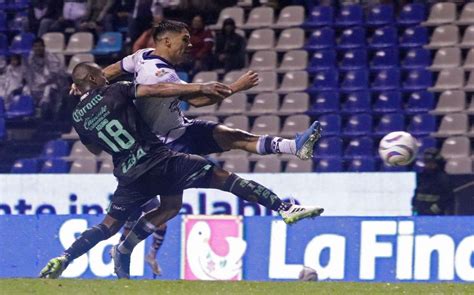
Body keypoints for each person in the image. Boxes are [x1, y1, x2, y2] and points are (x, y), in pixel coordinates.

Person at [39, 62, 324, 280]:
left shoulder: (77, 118)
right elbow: (153, 91)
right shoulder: (117, 89)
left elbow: (95, 151)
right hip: (160, 161)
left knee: (112, 224)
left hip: (128, 175)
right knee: (223, 178)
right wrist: (198, 89)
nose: (105, 76)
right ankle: (284, 207)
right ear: (92, 79)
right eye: (100, 74)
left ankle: (65, 258)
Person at [102, 20, 323, 274]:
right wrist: (236, 87)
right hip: (166, 147)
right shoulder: (162, 75)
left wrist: (86, 85)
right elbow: (197, 99)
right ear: (167, 41)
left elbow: (111, 71)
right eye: (184, 39)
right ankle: (124, 250)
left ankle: (295, 148)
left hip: (180, 129)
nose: (190, 44)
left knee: (230, 137)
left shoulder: (141, 56)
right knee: (173, 206)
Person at [24, 38, 67, 118]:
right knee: (26, 89)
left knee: (48, 90)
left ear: (44, 47)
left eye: (40, 46)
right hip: (37, 83)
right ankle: (29, 115)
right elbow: (29, 74)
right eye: (35, 46)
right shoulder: (31, 57)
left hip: (52, 83)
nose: (38, 48)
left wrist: (43, 84)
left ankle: (46, 115)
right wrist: (31, 85)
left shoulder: (51, 57)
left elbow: (55, 75)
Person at [412, 148, 454, 215]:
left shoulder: (443, 179)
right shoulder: (422, 176)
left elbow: (446, 198)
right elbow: (417, 193)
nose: (427, 165)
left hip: (435, 216)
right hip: (420, 214)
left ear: (437, 163)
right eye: (426, 162)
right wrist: (415, 206)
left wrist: (432, 210)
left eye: (430, 162)